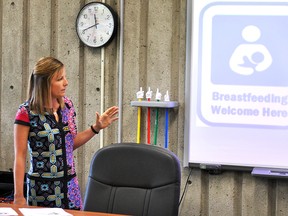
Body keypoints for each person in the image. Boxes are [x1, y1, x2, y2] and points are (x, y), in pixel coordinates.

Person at [13, 56, 118, 210]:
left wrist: (96, 128)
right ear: (45, 83)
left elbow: (69, 145)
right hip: (41, 191)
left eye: (65, 77)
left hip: (70, 188)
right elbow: (20, 157)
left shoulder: (67, 106)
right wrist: (18, 197)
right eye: (60, 79)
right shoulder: (25, 113)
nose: (66, 82)